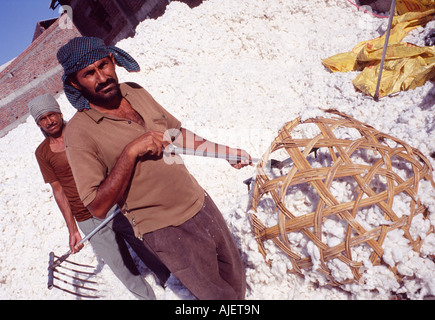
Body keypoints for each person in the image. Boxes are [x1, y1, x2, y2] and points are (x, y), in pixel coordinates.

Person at [57, 36, 250, 300]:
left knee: (237, 281)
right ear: (74, 83)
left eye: (103, 65)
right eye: (89, 74)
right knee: (217, 298)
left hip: (201, 204)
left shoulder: (135, 91)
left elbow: (175, 133)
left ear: (113, 60)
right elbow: (97, 207)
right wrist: (130, 152)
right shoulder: (79, 133)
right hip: (166, 231)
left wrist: (226, 152)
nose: (101, 78)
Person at [30, 93, 170, 300]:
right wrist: (72, 229)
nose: (49, 121)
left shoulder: (80, 131)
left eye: (52, 114)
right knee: (121, 266)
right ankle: (146, 298)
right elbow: (58, 190)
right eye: (43, 118)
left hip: (112, 203)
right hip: (86, 216)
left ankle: (171, 284)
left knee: (147, 248)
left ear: (59, 113)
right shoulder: (43, 153)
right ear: (38, 124)